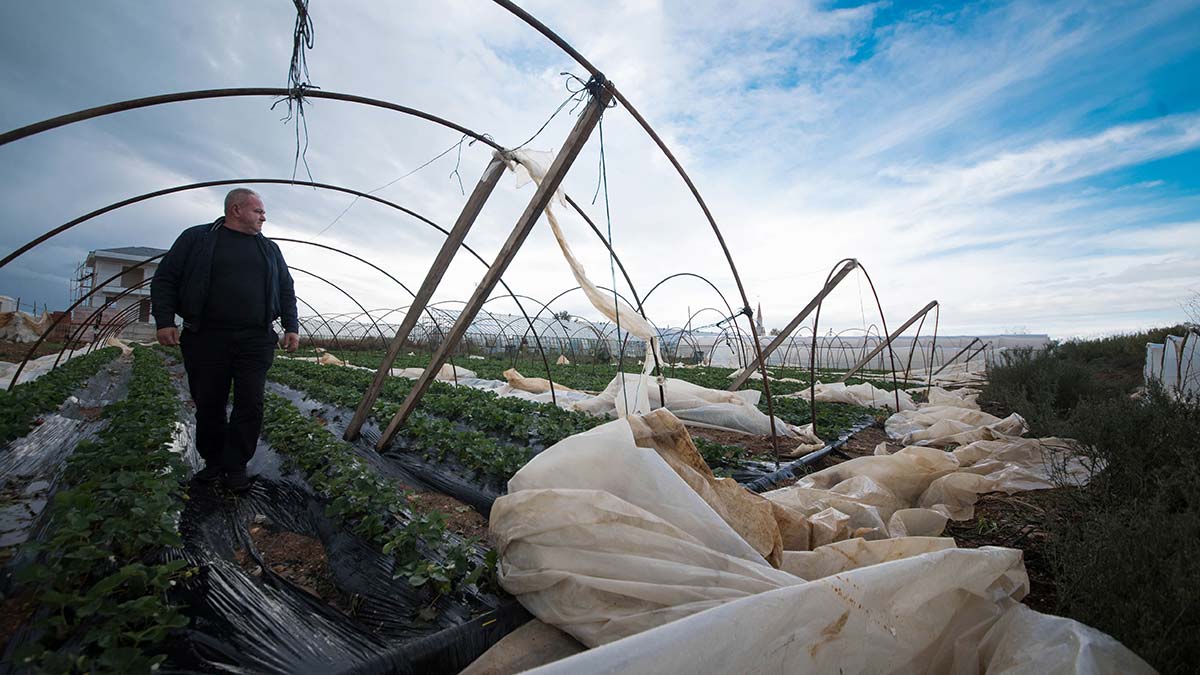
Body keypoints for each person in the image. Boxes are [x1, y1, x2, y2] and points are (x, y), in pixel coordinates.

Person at [151, 188, 300, 492]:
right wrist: (164, 320)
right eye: (258, 211)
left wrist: (291, 326)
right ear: (236, 210)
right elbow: (166, 278)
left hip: (255, 337)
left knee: (251, 403)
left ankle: (236, 466)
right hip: (206, 335)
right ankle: (214, 462)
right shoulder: (197, 239)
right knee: (209, 403)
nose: (264, 216)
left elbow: (286, 287)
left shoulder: (269, 249)